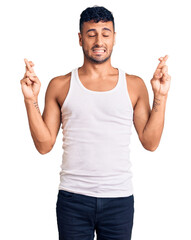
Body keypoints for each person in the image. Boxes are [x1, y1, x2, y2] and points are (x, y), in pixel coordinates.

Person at [20, 5, 171, 240]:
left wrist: (160, 95)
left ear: (114, 38)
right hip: (73, 199)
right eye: (91, 34)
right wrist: (31, 100)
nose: (98, 40)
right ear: (80, 39)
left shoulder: (134, 85)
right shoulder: (60, 85)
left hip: (119, 199)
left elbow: (150, 143)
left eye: (105, 33)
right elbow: (44, 145)